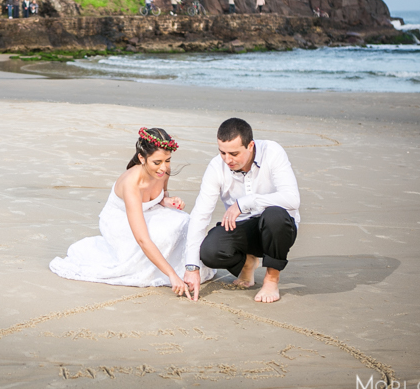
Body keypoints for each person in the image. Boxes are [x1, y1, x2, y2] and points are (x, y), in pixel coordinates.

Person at [51, 128, 216, 294]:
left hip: (150, 211)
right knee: (159, 235)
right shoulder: (132, 184)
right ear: (141, 158)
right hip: (119, 221)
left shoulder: (163, 170)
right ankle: (169, 269)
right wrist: (172, 275)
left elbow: (162, 195)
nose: (163, 168)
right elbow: (142, 239)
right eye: (157, 162)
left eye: (168, 160)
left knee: (184, 221)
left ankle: (182, 268)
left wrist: (167, 200)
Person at [183, 118, 300, 304]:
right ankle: (247, 263)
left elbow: (292, 199)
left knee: (274, 215)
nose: (227, 159)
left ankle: (271, 278)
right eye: (222, 152)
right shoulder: (216, 166)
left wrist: (245, 202)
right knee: (209, 252)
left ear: (251, 145)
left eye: (234, 153)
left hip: (278, 228)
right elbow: (200, 215)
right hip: (243, 228)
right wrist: (191, 267)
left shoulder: (273, 152)